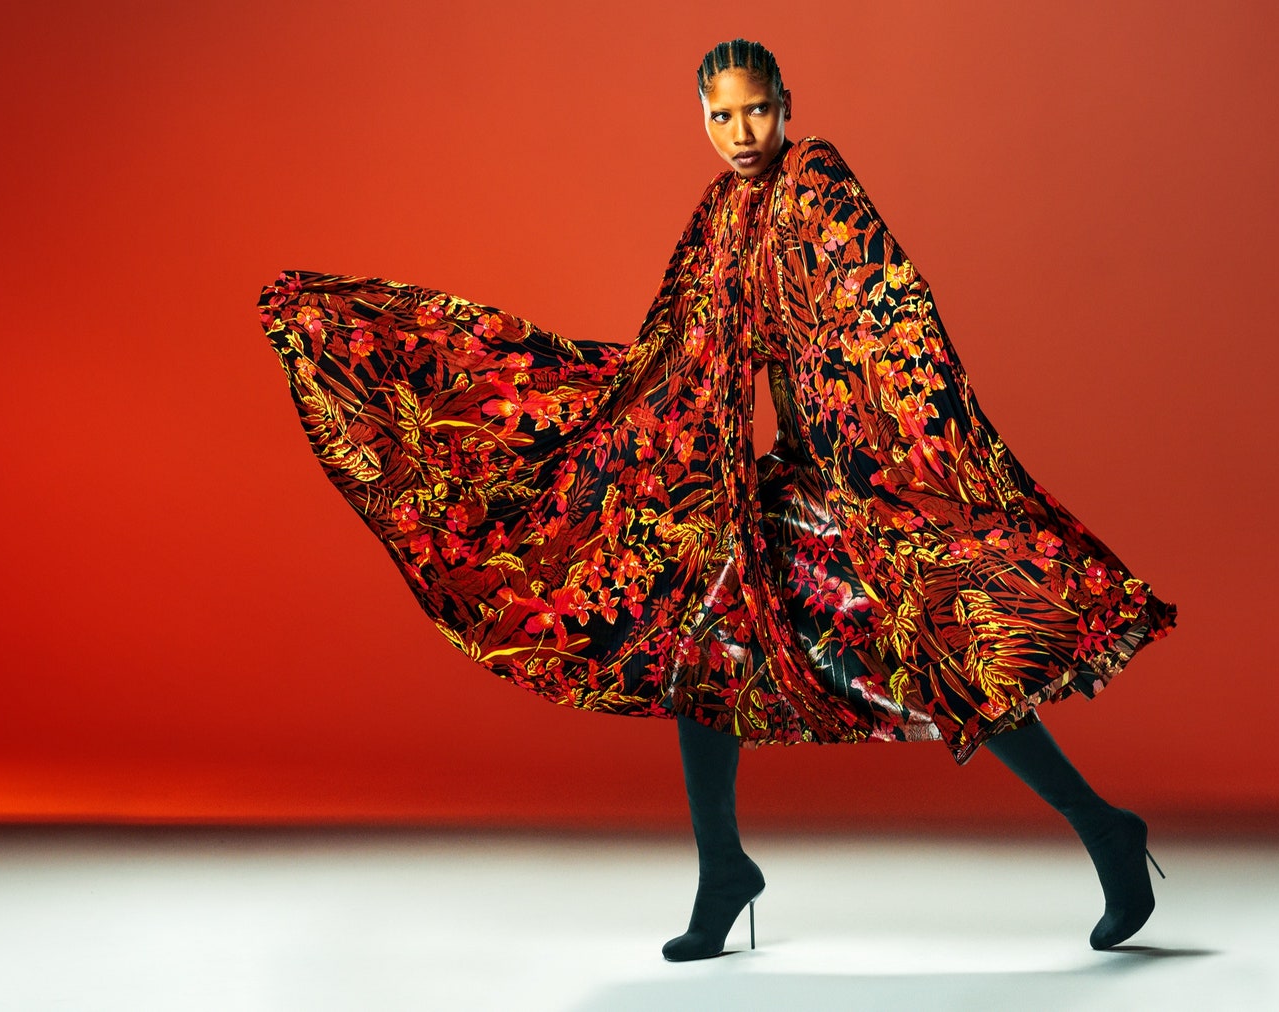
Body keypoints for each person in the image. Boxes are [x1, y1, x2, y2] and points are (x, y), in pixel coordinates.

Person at [258, 37, 1177, 964]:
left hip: (868, 480)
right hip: (780, 476)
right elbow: (676, 350)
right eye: (721, 116)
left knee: (948, 642)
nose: (742, 133)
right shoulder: (721, 211)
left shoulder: (819, 187)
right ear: (700, 117)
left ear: (788, 102)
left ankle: (1105, 831)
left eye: (758, 111)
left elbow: (888, 318)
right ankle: (722, 870)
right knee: (709, 633)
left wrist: (879, 481)